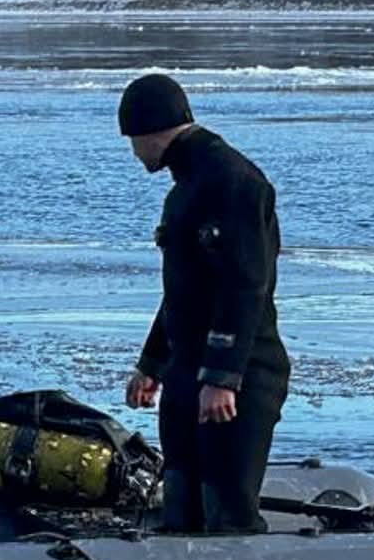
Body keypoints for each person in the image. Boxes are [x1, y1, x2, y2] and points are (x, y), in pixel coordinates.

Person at [117, 73, 292, 535]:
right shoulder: (187, 187)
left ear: (149, 131)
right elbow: (184, 291)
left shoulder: (234, 182)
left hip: (242, 375)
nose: (134, 154)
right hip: (186, 369)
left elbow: (244, 286)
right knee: (180, 501)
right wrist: (152, 364)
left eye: (133, 142)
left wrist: (222, 378)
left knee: (225, 513)